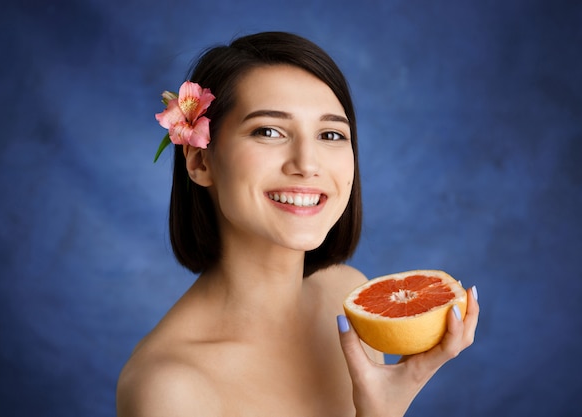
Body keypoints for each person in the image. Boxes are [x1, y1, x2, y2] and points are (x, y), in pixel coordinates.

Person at [116, 31, 479, 417]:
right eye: (268, 131)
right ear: (199, 161)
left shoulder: (349, 295)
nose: (307, 164)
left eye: (330, 134)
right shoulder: (168, 390)